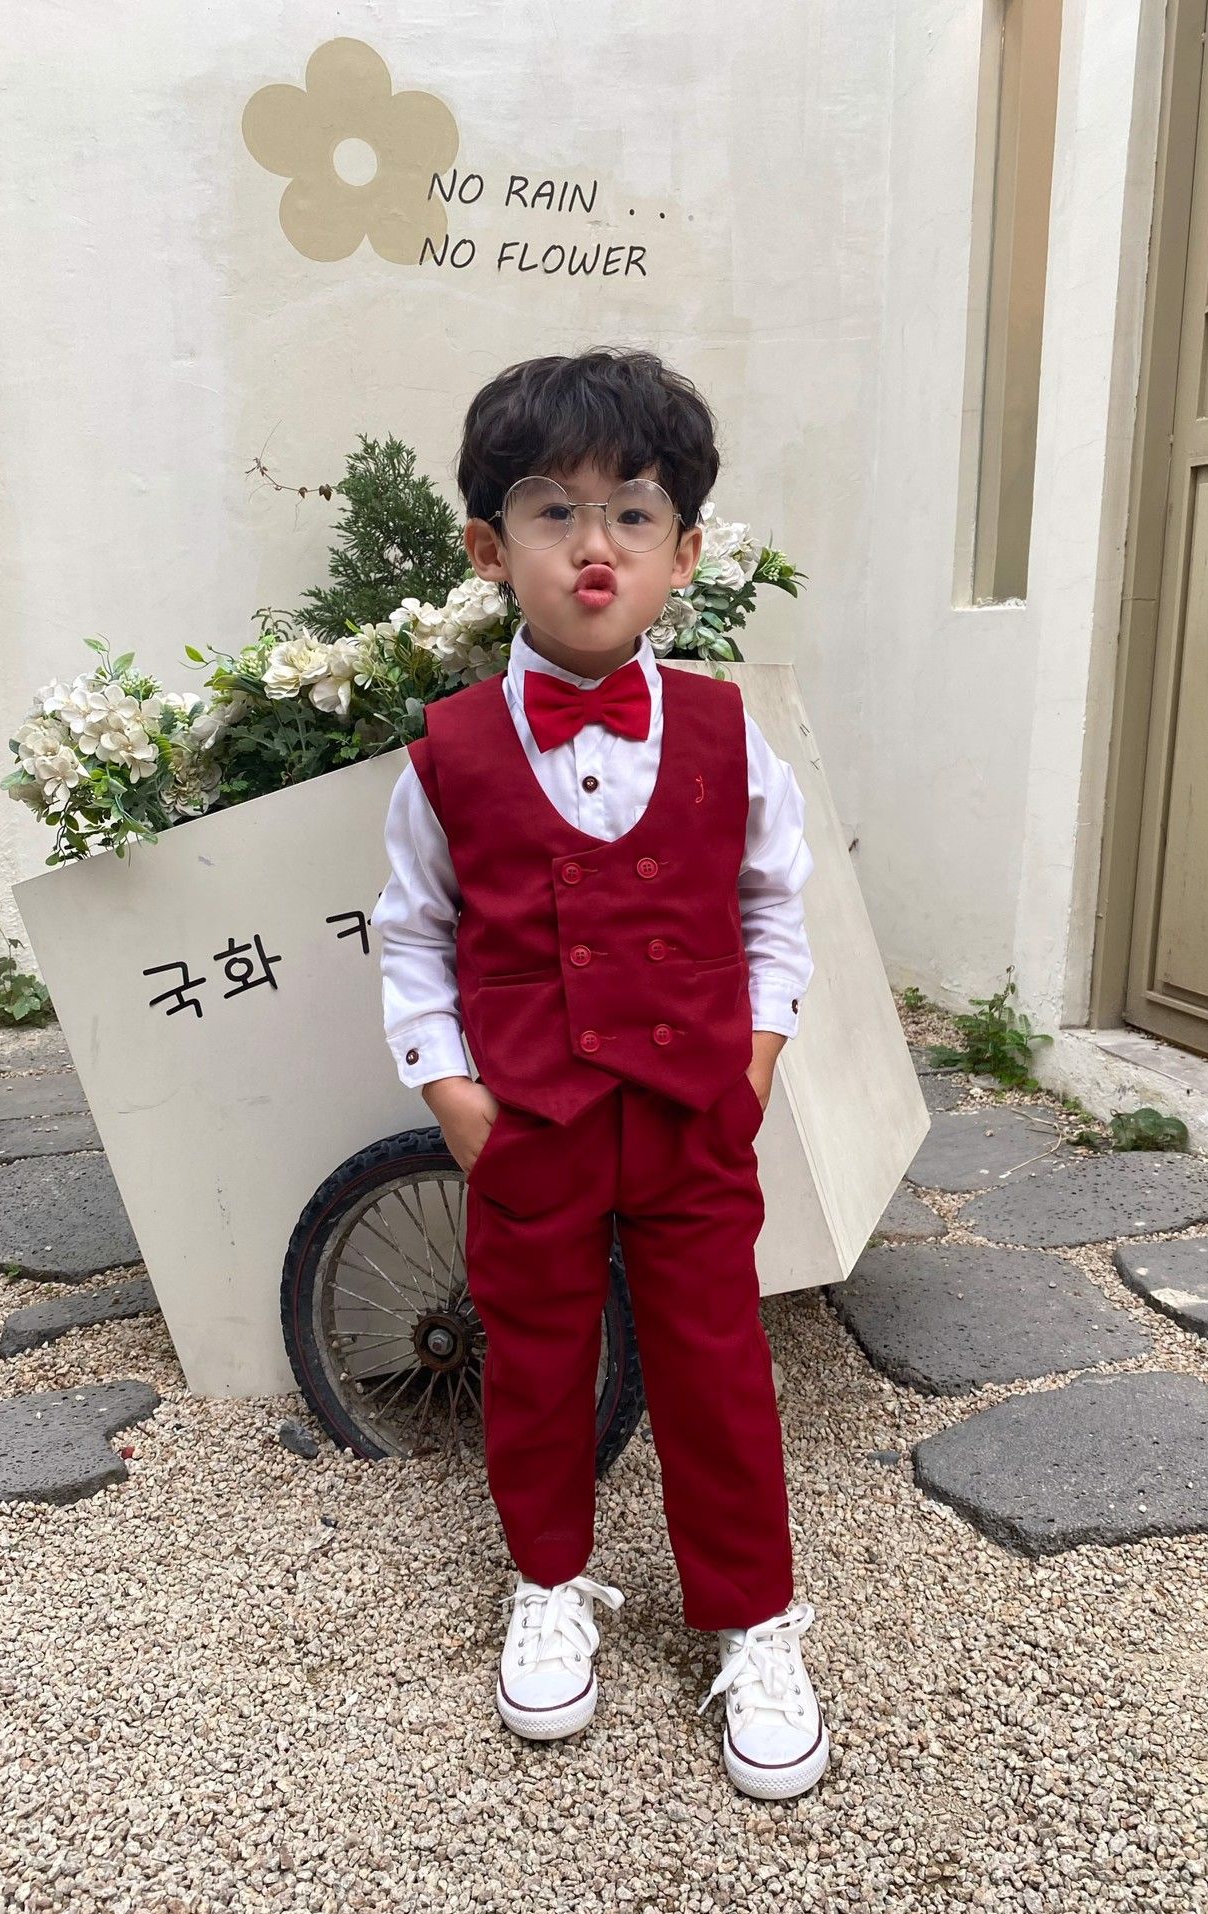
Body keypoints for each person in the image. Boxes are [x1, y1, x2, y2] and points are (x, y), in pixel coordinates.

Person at [370, 346, 827, 1800]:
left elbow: (775, 906)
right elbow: (412, 933)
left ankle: (753, 1616)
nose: (595, 547)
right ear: (488, 548)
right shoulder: (447, 756)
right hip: (532, 1122)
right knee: (537, 1361)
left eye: (632, 513)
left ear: (682, 553)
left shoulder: (727, 737)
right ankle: (550, 1581)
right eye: (554, 511)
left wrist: (756, 1058)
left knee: (715, 1363)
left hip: (694, 1115)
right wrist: (454, 1097)